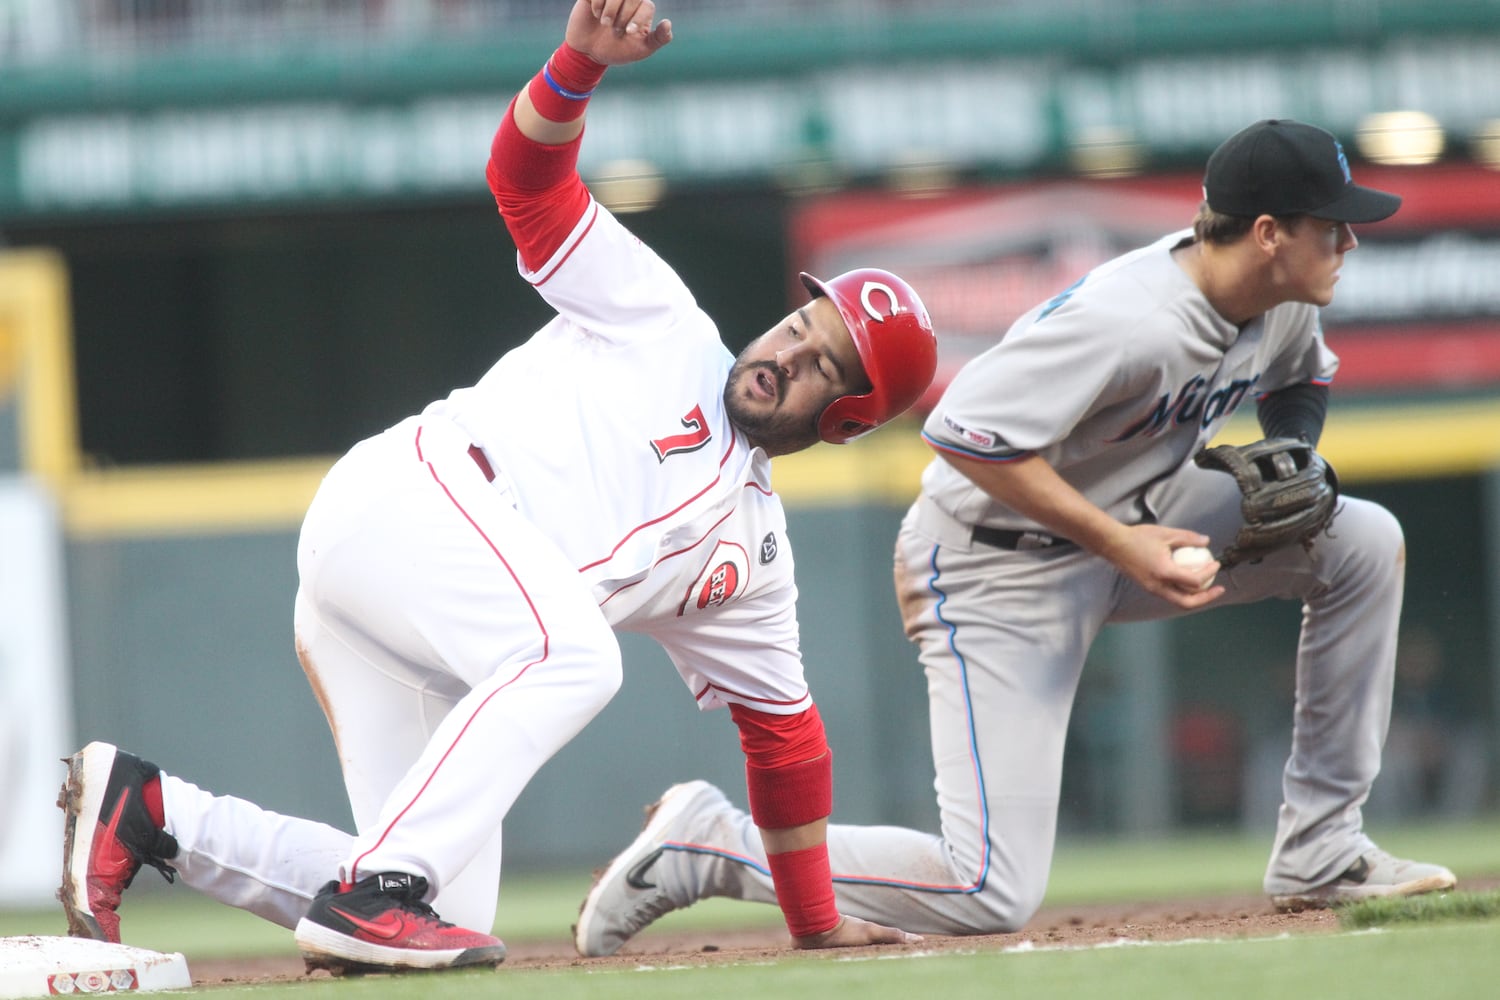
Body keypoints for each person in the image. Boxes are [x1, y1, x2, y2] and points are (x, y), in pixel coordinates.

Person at [58, 0, 935, 975]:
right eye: (797, 326)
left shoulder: (755, 563)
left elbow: (787, 743)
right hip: (407, 499)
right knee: (579, 658)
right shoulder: (665, 323)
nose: (787, 351)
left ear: (850, 419)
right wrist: (577, 66)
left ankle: (150, 813)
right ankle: (375, 895)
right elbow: (525, 183)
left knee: (449, 900)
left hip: (416, 637)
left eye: (823, 364)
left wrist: (814, 921)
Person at [571, 118, 1459, 956]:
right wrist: (1121, 543)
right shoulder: (1131, 317)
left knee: (1362, 540)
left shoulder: (1282, 298)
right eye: (1330, 227)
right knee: (988, 890)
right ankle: (708, 845)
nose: (1347, 242)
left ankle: (1323, 850)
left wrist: (1294, 451)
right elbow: (962, 434)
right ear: (1268, 232)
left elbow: (1300, 380)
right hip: (991, 565)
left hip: (1137, 517)